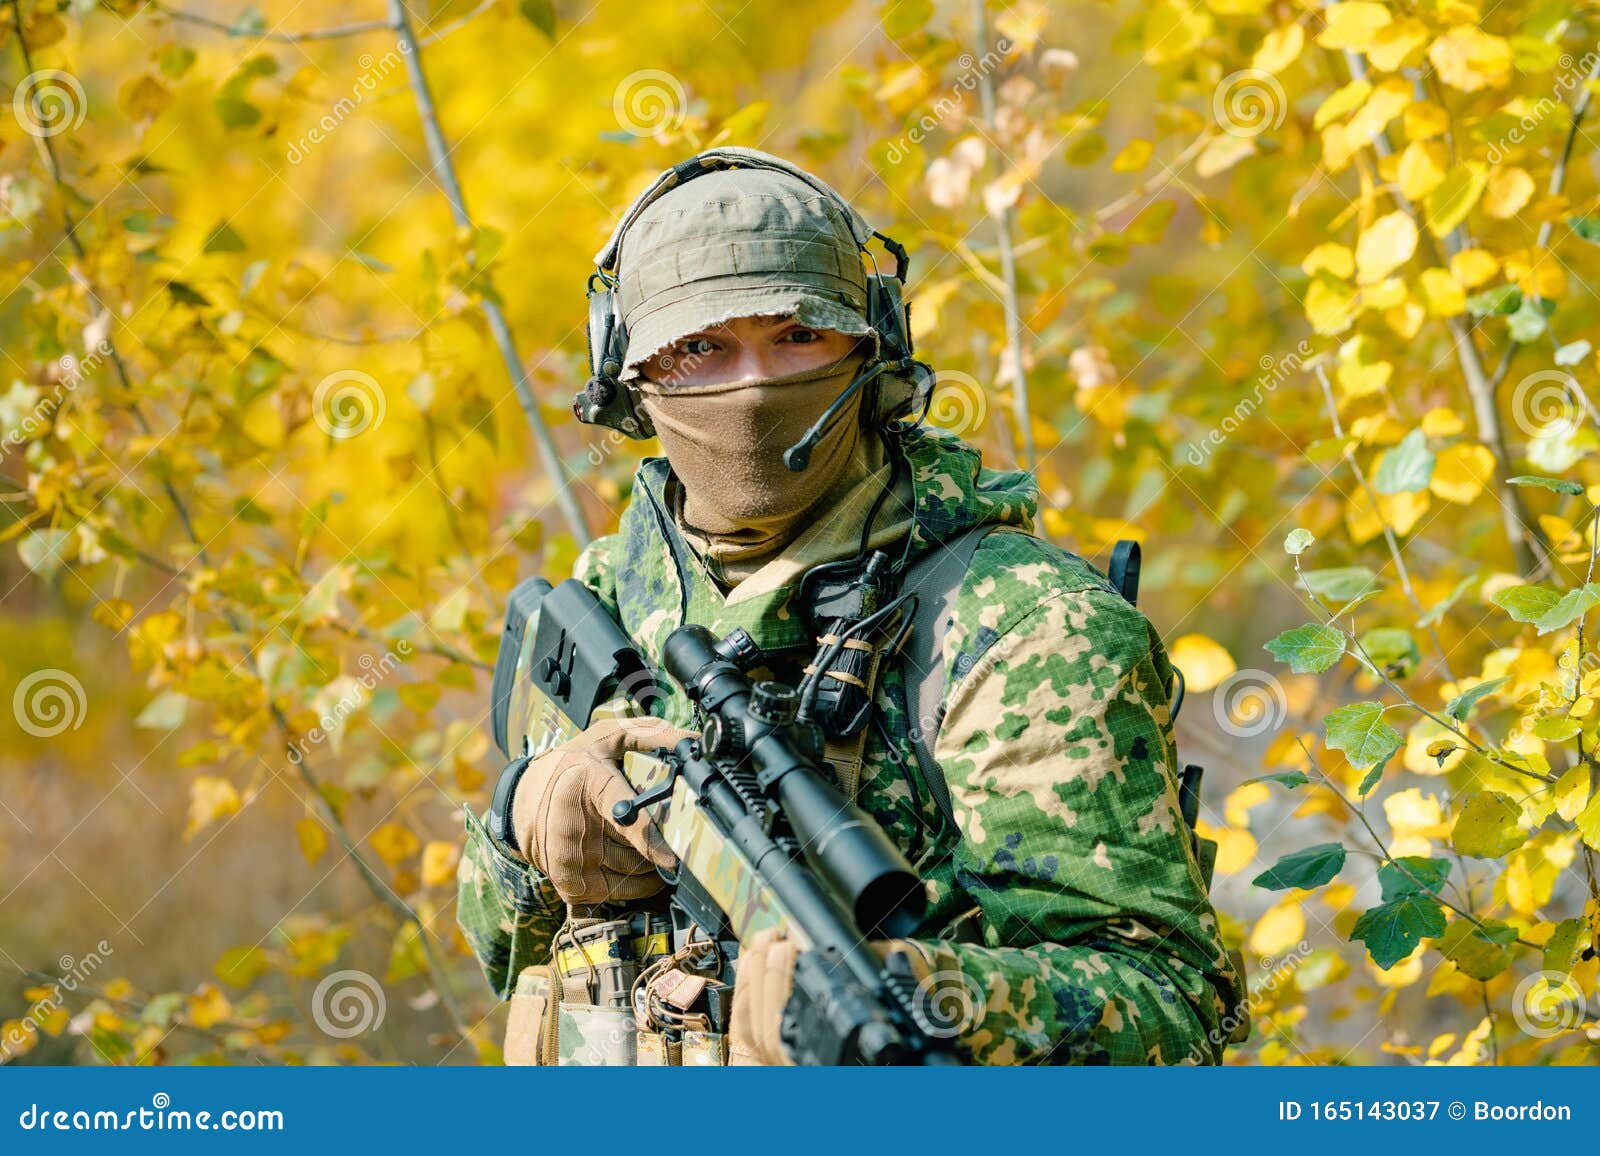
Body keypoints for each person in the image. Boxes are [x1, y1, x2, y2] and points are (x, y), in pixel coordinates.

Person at [455, 148, 1243, 1065]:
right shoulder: (610, 595)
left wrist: (917, 999)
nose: (751, 387)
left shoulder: (1023, 626)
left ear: (873, 345)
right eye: (701, 347)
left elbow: (1174, 1013)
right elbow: (503, 955)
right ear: (626, 373)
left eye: (797, 336)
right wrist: (527, 822)